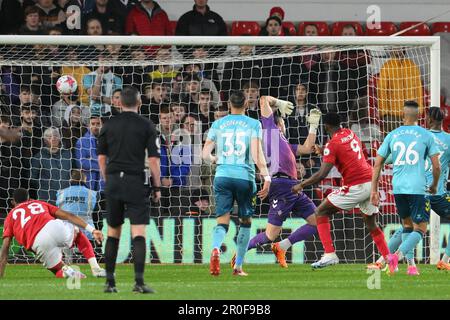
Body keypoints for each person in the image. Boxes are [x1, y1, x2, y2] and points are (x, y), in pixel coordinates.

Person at [292, 112, 395, 270]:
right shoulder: (349, 133)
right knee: (372, 224)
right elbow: (346, 150)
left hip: (357, 186)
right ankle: (391, 262)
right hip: (371, 182)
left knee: (320, 212)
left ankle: (329, 254)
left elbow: (322, 175)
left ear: (325, 126)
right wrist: (324, 149)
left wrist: (301, 185)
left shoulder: (333, 144)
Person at [243, 96, 321, 268]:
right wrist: (278, 103)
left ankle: (281, 247)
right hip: (280, 185)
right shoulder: (270, 131)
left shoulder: (286, 143)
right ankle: (240, 253)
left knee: (318, 221)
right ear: (279, 125)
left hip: (293, 187)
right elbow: (263, 100)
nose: (285, 125)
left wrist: (313, 126)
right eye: (284, 123)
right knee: (270, 235)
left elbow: (308, 148)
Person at [369, 107, 450, 272]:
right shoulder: (447, 139)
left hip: (415, 189)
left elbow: (390, 159)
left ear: (428, 119)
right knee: (416, 228)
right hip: (436, 193)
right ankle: (444, 260)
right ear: (443, 120)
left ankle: (384, 261)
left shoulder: (419, 136)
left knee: (408, 227)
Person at [97, 86, 161, 294]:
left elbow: (101, 158)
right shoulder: (146, 125)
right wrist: (156, 186)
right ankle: (139, 282)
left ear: (119, 103)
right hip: (135, 181)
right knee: (139, 232)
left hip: (114, 181)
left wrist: (109, 179)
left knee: (113, 232)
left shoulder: (108, 125)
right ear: (139, 103)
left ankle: (109, 282)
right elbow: (153, 159)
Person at [202, 91, 271, 276]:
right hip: (244, 178)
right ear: (246, 104)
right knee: (246, 222)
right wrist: (267, 176)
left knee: (222, 221)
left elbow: (204, 155)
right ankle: (238, 266)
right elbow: (257, 154)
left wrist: (216, 159)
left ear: (229, 105)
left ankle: (216, 248)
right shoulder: (253, 124)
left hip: (222, 177)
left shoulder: (218, 124)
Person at [0, 188, 103, 279]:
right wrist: (92, 230)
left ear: (13, 202)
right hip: (53, 227)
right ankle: (96, 269)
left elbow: (5, 247)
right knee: (78, 234)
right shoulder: (38, 203)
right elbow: (68, 215)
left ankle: (68, 272)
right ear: (29, 198)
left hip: (38, 242)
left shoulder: (10, 217)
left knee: (56, 269)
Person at [57, 169, 105, 271]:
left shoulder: (61, 193)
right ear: (84, 179)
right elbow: (97, 215)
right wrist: (97, 229)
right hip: (86, 233)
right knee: (87, 258)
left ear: (71, 179)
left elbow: (56, 212)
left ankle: (68, 272)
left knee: (67, 260)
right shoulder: (92, 194)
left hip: (65, 233)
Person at [377, 49, 424, 133]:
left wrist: (419, 108)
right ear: (391, 50)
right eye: (395, 48)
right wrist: (384, 112)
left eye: (400, 47)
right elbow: (382, 90)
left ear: (404, 49)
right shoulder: (387, 66)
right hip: (392, 114)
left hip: (411, 112)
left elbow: (418, 88)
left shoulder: (412, 65)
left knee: (411, 139)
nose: (398, 50)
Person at [31, 127, 72, 204]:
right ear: (45, 140)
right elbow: (32, 178)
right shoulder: (38, 157)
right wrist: (45, 184)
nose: (53, 139)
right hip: (46, 198)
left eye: (56, 136)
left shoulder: (68, 154)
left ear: (59, 138)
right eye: (50, 137)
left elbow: (73, 172)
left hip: (66, 197)